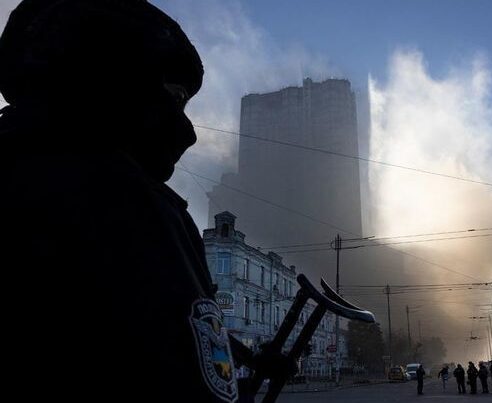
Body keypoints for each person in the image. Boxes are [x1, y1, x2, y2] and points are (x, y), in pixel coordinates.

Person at [0, 1, 293, 402]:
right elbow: (185, 373)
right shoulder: (129, 203)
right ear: (117, 82)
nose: (187, 132)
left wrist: (243, 365)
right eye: (173, 99)